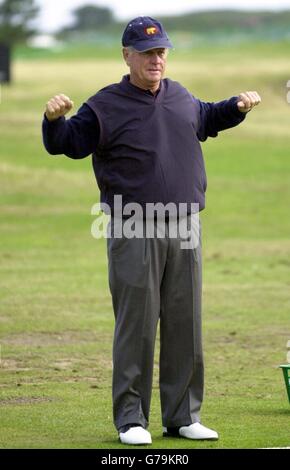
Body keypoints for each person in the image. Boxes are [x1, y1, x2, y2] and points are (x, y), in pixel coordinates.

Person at [42, 16, 261, 446]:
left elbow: (207, 117)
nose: (156, 59)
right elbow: (67, 143)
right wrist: (53, 121)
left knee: (185, 322)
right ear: (127, 56)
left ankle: (182, 416)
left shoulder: (179, 95)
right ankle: (131, 419)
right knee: (137, 325)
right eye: (147, 53)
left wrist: (235, 107)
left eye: (161, 51)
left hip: (186, 227)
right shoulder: (104, 105)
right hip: (133, 228)